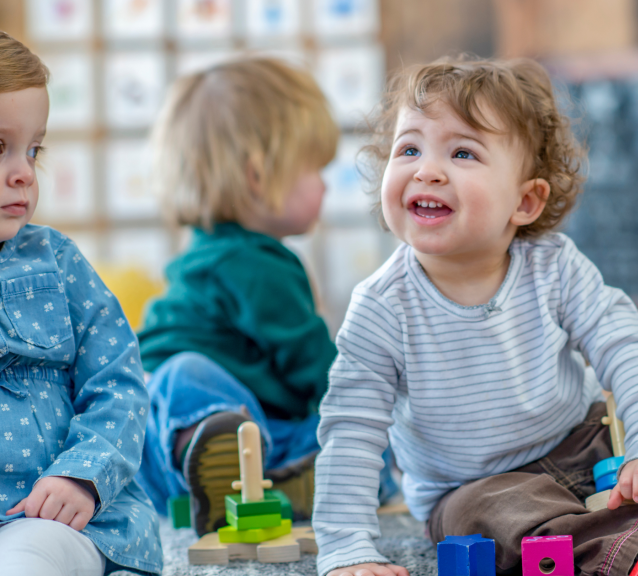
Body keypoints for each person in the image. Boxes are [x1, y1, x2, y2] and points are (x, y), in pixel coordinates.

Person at [313, 57, 638, 576]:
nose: (426, 170)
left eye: (462, 152)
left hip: (588, 436)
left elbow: (627, 350)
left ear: (526, 201)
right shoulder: (381, 307)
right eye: (409, 149)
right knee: (486, 523)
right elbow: (351, 432)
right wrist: (347, 549)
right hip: (476, 486)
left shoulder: (554, 266)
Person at [134, 56, 398, 536]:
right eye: (314, 169)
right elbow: (319, 368)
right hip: (195, 435)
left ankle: (258, 482)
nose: (324, 185)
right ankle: (218, 454)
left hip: (163, 459)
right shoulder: (259, 264)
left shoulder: (203, 253)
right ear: (258, 175)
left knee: (348, 448)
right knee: (188, 375)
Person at [0, 31, 161, 575]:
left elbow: (119, 383)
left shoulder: (56, 261)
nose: (24, 172)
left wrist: (83, 475)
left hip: (53, 519)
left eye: (34, 150)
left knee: (27, 561)